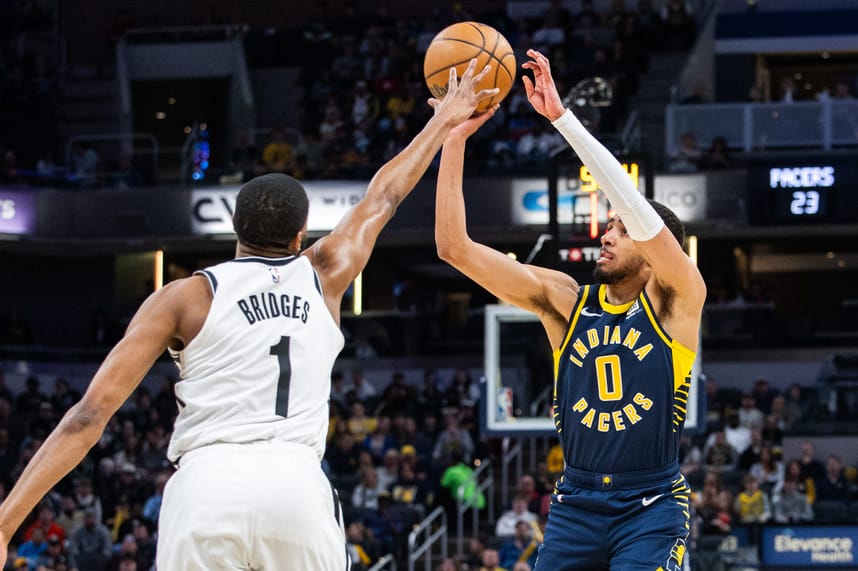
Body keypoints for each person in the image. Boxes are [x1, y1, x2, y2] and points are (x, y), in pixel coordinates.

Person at [0, 59, 499, 569]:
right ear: (301, 235)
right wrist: (444, 122)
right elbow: (385, 196)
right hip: (297, 487)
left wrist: (3, 526)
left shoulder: (183, 298)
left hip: (206, 486)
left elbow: (88, 416)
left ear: (234, 231)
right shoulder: (325, 272)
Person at [435, 49, 706, 570]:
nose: (607, 233)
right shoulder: (564, 301)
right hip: (575, 503)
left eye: (622, 230)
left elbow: (639, 213)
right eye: (611, 224)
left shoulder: (677, 301)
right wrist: (452, 141)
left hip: (650, 505)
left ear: (654, 252)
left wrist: (563, 120)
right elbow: (454, 248)